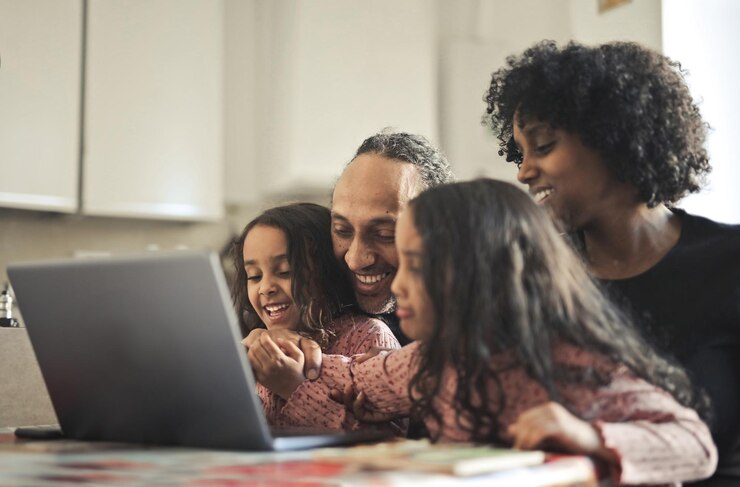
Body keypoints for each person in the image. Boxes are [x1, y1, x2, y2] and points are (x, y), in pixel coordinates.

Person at [246, 179, 717, 486]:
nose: (400, 282)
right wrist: (294, 358)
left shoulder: (571, 361)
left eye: (416, 265)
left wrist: (590, 436)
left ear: (479, 274)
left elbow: (695, 444)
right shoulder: (433, 360)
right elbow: (353, 382)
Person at [483, 40, 740, 483]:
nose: (523, 171)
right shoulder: (531, 278)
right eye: (519, 153)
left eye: (543, 146)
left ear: (614, 137)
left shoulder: (729, 262)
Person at [244, 131, 454, 369]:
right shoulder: (328, 304)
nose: (355, 259)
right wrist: (267, 344)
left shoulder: (471, 331)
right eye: (343, 230)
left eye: (384, 234)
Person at [231, 202, 401, 431]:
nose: (265, 288)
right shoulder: (256, 345)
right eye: (254, 276)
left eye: (285, 272)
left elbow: (389, 438)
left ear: (327, 272)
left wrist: (293, 387)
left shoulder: (368, 337)